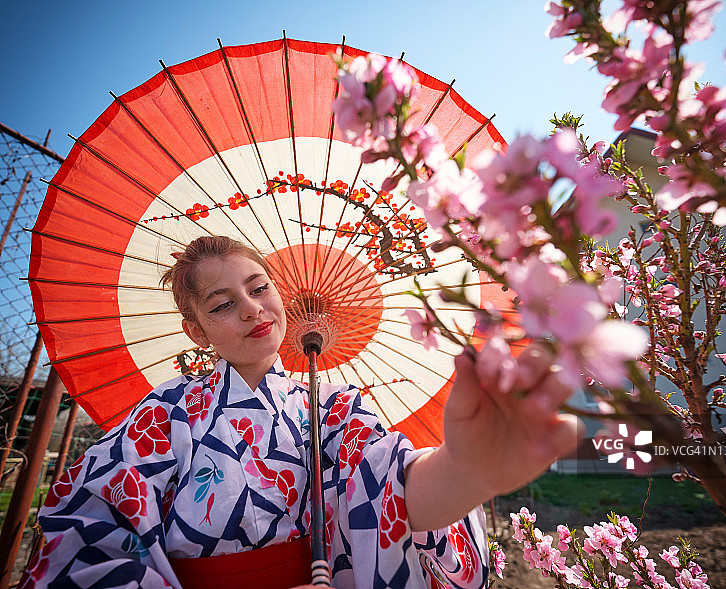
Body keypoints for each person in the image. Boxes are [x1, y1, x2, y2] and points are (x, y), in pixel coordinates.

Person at [22, 236, 581, 588]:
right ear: (196, 331)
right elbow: (86, 537)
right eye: (223, 304)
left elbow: (389, 488)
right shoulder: (166, 414)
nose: (251, 309)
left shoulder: (335, 408)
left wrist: (466, 470)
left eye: (259, 287)